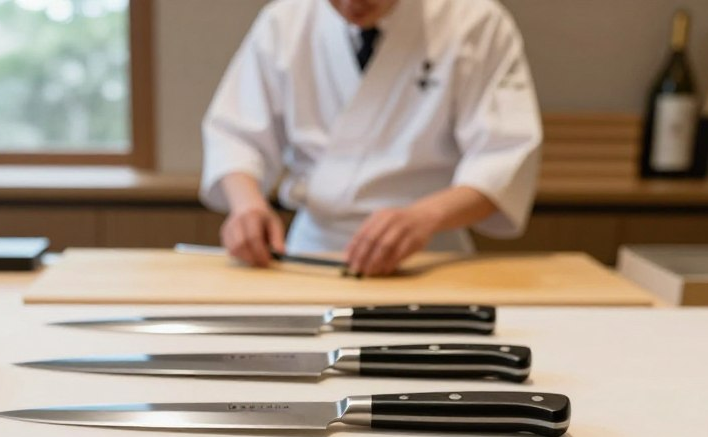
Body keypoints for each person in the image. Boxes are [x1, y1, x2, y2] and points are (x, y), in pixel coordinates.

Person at [200, 0, 542, 277]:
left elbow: (503, 155)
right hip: (309, 256)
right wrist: (247, 206)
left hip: (429, 258)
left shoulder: (475, 22)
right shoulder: (284, 21)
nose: (352, 4)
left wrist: (424, 217)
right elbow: (236, 134)